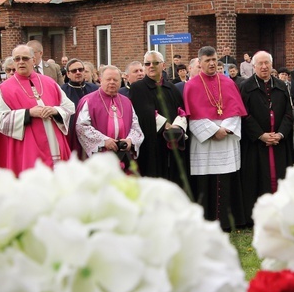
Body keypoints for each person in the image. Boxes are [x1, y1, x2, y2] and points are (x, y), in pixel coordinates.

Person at [0, 44, 75, 177]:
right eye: (17, 59)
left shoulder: (49, 82)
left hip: (54, 142)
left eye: (25, 58)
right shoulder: (5, 89)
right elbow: (1, 120)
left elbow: (69, 106)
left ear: (33, 60)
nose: (21, 62)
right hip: (27, 146)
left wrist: (54, 110)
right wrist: (28, 113)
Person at [184, 46, 247, 230]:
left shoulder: (228, 83)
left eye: (214, 60)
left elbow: (236, 111)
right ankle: (207, 222)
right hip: (205, 142)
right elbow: (191, 116)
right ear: (200, 62)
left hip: (226, 138)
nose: (212, 63)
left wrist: (224, 129)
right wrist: (213, 131)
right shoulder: (192, 85)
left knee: (226, 179)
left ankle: (227, 222)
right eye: (207, 60)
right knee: (206, 181)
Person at [239, 51, 293, 224]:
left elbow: (289, 113)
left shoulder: (281, 85)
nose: (264, 67)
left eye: (267, 63)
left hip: (278, 141)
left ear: (271, 65)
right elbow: (244, 115)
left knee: (279, 177)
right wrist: (261, 135)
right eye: (260, 64)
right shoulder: (246, 87)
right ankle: (258, 216)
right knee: (257, 178)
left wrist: (280, 134)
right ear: (253, 67)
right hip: (257, 143)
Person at [129, 50, 188, 186]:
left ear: (163, 65)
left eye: (155, 63)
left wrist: (177, 127)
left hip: (174, 142)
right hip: (151, 143)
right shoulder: (138, 88)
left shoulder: (172, 88)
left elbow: (182, 110)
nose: (151, 66)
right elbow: (143, 112)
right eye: (147, 63)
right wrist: (166, 126)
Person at [75, 65, 143, 169]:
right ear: (100, 80)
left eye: (115, 79)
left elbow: (135, 126)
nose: (112, 82)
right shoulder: (89, 100)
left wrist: (130, 140)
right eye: (108, 79)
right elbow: (81, 127)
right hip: (100, 157)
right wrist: (104, 140)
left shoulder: (126, 101)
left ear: (121, 81)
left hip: (123, 156)